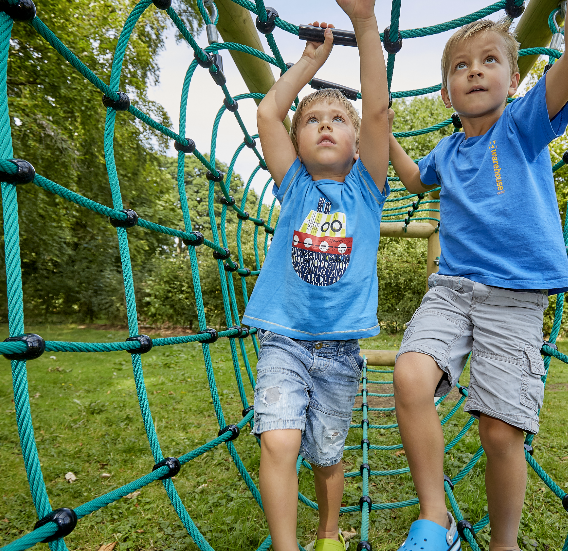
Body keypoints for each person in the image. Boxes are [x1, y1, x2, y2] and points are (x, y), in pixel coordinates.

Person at [386, 4, 568, 550]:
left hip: (516, 297)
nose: (475, 71)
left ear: (513, 77)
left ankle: (504, 544)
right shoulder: (447, 149)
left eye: (488, 61)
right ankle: (436, 519)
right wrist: (383, 131)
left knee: (499, 431)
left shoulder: (523, 125)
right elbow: (413, 181)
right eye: (460, 66)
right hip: (453, 290)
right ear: (445, 93)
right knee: (409, 375)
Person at [241, 0, 390, 549]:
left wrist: (366, 24)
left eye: (336, 120)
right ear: (298, 142)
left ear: (355, 144)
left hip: (339, 350)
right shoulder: (295, 184)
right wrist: (309, 61)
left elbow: (376, 113)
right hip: (283, 339)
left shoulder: (366, 190)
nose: (325, 124)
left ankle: (329, 531)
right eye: (311, 120)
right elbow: (266, 113)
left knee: (327, 456)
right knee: (278, 441)